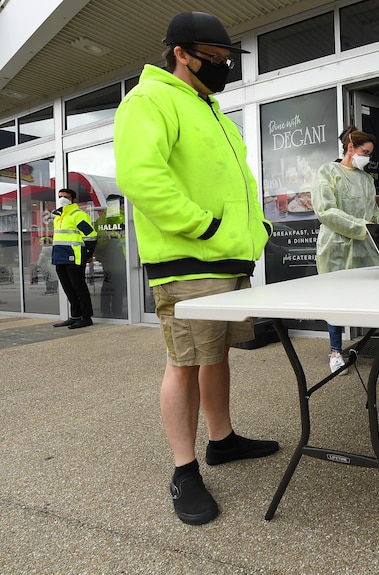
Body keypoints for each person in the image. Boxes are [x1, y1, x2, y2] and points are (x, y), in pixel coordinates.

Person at [113, 11, 279, 526]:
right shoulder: (149, 99)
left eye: (229, 58)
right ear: (181, 53)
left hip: (227, 255)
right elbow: (142, 178)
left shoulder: (214, 112)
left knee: (216, 352)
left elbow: (232, 184)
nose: (225, 66)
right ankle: (184, 470)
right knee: (185, 359)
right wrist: (204, 227)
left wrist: (254, 233)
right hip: (188, 255)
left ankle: (222, 440)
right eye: (216, 58)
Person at [311, 125, 379, 374]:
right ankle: (335, 352)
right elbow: (325, 211)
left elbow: (373, 215)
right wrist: (360, 225)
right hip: (335, 248)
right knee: (334, 300)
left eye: (370, 154)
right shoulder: (327, 171)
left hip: (365, 247)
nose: (367, 158)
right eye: (364, 152)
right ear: (350, 148)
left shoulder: (367, 179)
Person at [51, 187, 97, 329]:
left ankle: (86, 317)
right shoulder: (58, 216)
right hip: (60, 257)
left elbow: (91, 236)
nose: (62, 199)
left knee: (79, 288)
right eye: (60, 196)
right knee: (68, 288)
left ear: (74, 199)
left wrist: (88, 254)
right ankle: (75, 316)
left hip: (74, 257)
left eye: (65, 196)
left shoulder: (78, 215)